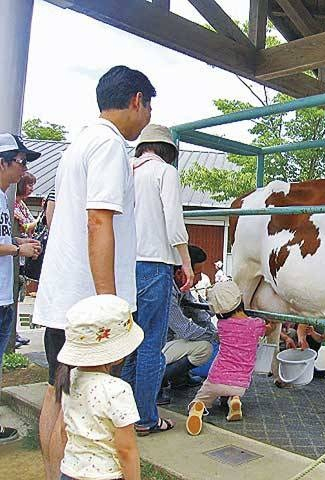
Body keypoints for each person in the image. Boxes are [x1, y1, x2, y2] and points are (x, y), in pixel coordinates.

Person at [33, 65, 155, 480]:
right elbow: (99, 221)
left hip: (63, 299)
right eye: (149, 105)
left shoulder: (81, 142)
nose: (149, 116)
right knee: (89, 406)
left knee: (59, 395)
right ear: (137, 99)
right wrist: (108, 304)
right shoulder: (108, 146)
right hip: (90, 305)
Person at [121, 124, 193, 436]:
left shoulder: (125, 170)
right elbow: (174, 223)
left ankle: (121, 414)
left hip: (123, 267)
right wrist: (186, 262)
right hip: (155, 265)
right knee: (151, 345)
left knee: (128, 345)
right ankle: (146, 419)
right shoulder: (164, 172)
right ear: (167, 151)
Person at [55, 295, 144, 480]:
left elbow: (63, 432)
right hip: (105, 475)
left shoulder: (69, 377)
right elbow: (126, 450)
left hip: (70, 472)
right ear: (118, 354)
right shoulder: (117, 390)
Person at [186, 281, 274, 436]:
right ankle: (234, 400)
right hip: (240, 385)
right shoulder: (256, 324)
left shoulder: (222, 325)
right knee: (232, 390)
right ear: (240, 300)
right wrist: (272, 323)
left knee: (200, 398)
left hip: (216, 378)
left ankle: (198, 408)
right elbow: (268, 329)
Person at [0, 133, 42, 443]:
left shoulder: (4, 198)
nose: (22, 169)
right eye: (19, 162)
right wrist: (18, 251)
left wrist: (17, 242)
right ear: (2, 162)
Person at [158, 245, 219, 405]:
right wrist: (215, 336)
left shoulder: (181, 285)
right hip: (155, 348)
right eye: (196, 274)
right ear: (179, 273)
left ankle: (180, 379)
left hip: (166, 343)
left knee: (199, 339)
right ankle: (155, 384)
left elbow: (195, 311)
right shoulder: (165, 290)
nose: (198, 279)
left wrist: (212, 330)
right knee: (204, 348)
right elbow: (185, 329)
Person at [13, 172, 37, 345]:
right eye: (29, 184)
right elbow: (25, 225)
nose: (31, 189)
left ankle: (14, 332)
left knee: (18, 295)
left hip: (22, 255)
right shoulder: (11, 202)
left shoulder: (22, 204)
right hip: (15, 253)